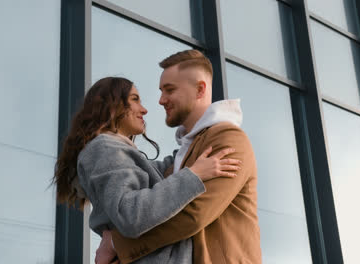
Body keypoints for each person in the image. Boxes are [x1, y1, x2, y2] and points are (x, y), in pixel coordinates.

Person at [52, 77, 242, 264]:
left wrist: (199, 133)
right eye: (135, 99)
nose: (144, 109)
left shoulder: (115, 152)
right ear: (111, 104)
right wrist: (193, 176)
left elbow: (166, 170)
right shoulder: (104, 148)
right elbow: (130, 213)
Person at [99, 50, 262, 263]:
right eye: (161, 91)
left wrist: (116, 244)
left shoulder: (228, 139)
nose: (161, 100)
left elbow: (193, 214)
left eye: (169, 90)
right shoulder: (183, 152)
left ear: (200, 89)